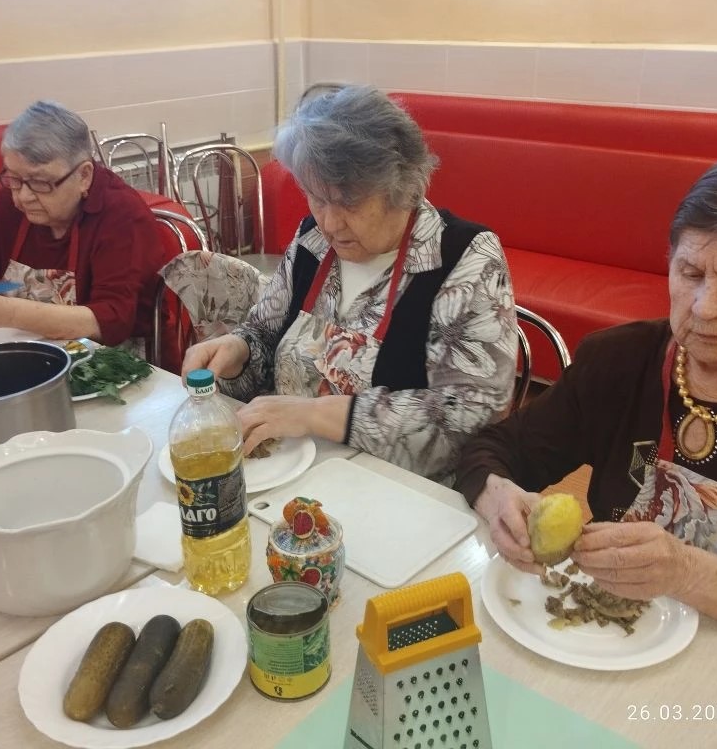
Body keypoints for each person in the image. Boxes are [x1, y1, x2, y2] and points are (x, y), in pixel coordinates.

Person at [457, 157, 717, 654]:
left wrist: (686, 572)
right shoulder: (619, 360)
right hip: (620, 642)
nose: (705, 306)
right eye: (690, 272)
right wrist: (498, 499)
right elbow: (492, 449)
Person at [183, 85, 518, 482]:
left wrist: (316, 415)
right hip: (288, 471)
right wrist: (239, 351)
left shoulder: (463, 257)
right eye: (316, 198)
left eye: (349, 203)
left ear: (400, 190)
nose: (329, 222)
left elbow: (472, 418)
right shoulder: (313, 241)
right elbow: (263, 335)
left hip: (396, 492)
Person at [0, 100, 166, 349]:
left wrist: (9, 314)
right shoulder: (12, 204)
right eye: (14, 179)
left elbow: (112, 320)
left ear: (83, 175)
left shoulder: (121, 214)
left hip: (115, 359)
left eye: (40, 183)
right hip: (29, 350)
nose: (24, 196)